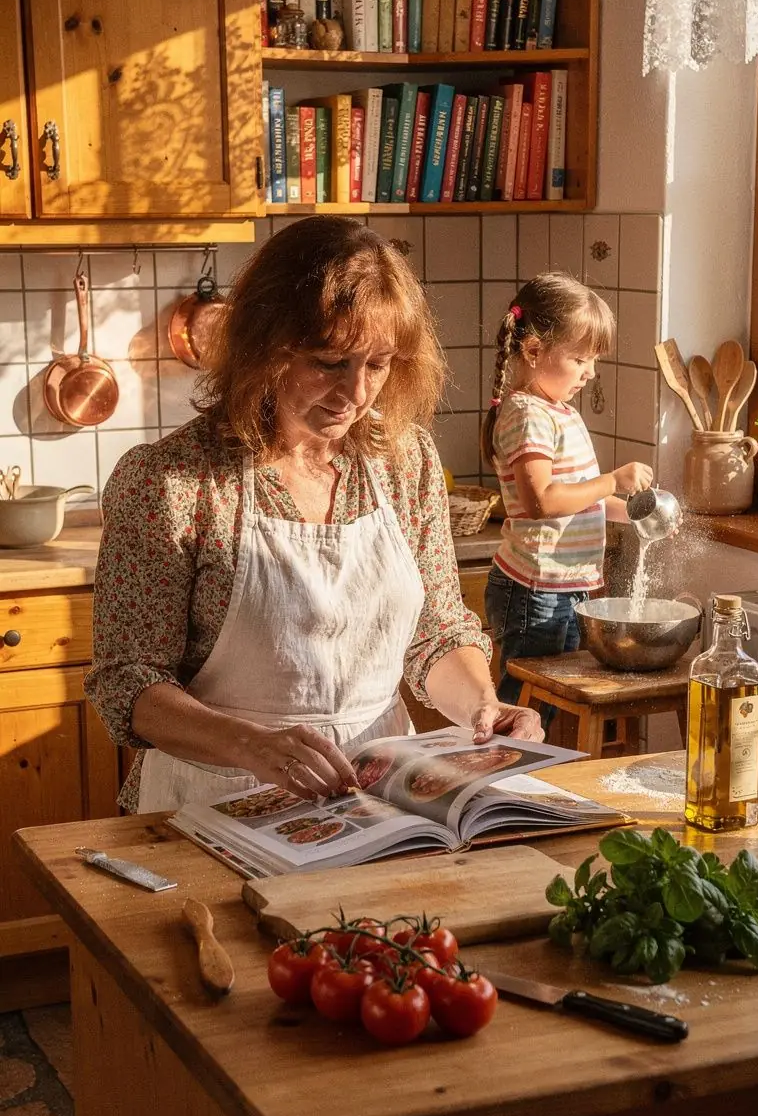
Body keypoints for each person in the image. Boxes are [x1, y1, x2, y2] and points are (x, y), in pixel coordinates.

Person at [85, 217, 544, 813]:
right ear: (264, 350)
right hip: (210, 801)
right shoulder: (170, 484)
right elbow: (129, 683)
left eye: (377, 364)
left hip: (377, 799)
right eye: (329, 362)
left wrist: (483, 703)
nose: (356, 393)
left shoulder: (406, 464)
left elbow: (434, 633)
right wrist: (252, 745)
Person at [481, 272, 654, 713]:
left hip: (562, 590)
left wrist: (633, 511)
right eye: (581, 359)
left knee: (547, 709)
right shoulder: (527, 414)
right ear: (534, 350)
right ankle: (505, 779)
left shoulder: (557, 411)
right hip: (534, 592)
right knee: (525, 709)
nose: (591, 372)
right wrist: (614, 480)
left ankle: (530, 780)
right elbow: (543, 502)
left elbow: (578, 501)